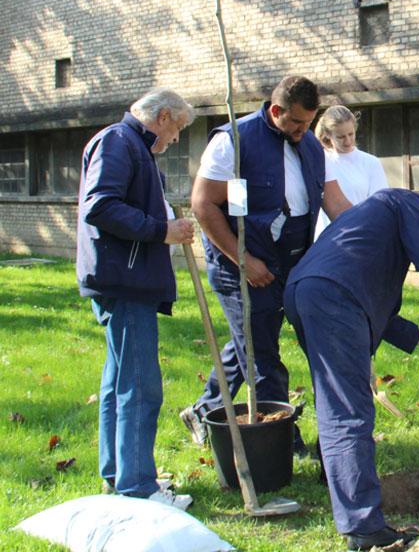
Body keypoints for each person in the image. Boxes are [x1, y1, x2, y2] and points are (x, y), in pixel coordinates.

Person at [180, 76, 351, 451]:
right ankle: (282, 439)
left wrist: (371, 230)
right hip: (241, 261)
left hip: (293, 258)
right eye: (298, 123)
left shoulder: (310, 145)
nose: (305, 131)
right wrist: (242, 260)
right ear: (276, 111)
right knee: (263, 355)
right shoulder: (233, 141)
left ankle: (204, 408)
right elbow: (203, 205)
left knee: (251, 338)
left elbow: (335, 203)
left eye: (310, 123)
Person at [283, 188, 419, 551]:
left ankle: (339, 485)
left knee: (336, 400)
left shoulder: (367, 230)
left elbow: (383, 313)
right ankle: (363, 526)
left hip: (304, 291)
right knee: (349, 409)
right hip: (334, 296)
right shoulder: (405, 201)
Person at [76, 88, 195, 510]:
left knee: (120, 381)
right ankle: (139, 486)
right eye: (178, 128)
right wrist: (161, 230)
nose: (176, 139)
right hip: (124, 284)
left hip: (127, 281)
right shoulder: (118, 141)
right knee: (140, 386)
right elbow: (100, 206)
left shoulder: (134, 149)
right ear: (162, 117)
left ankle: (118, 473)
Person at [313, 105, 389, 238]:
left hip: (359, 238)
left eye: (351, 134)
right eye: (340, 137)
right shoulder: (319, 160)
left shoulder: (371, 163)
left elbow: (379, 208)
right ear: (327, 134)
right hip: (325, 239)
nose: (347, 141)